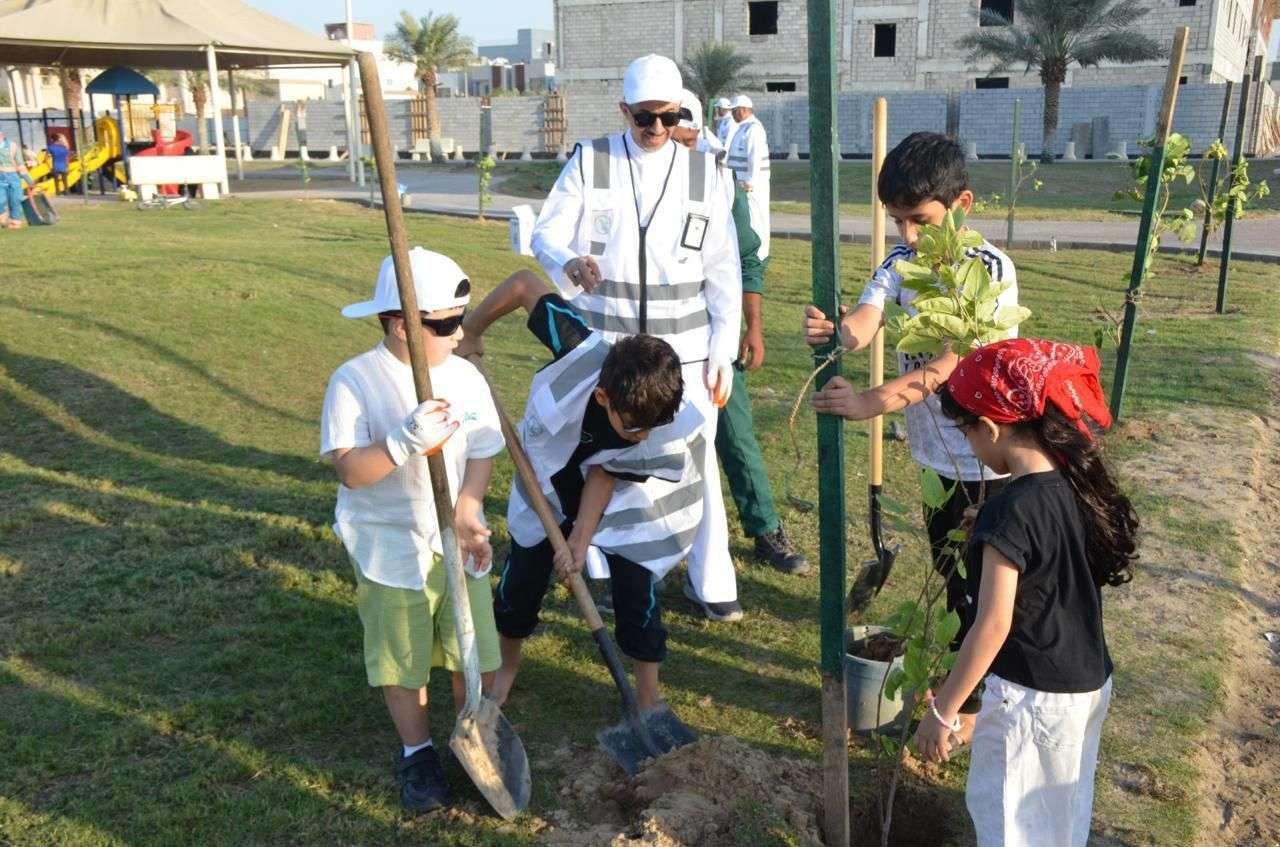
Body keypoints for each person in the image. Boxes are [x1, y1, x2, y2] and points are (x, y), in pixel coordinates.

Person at [804, 132, 1020, 710]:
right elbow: (867, 318)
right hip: (935, 458)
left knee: (987, 591)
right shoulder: (901, 262)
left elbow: (953, 364)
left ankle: (973, 708)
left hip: (991, 464)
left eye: (920, 221)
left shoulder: (989, 270)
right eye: (897, 221)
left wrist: (873, 402)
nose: (908, 236)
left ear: (962, 207)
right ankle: (970, 692)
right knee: (952, 581)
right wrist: (837, 333)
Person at [530, 53, 746, 621]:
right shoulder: (590, 161)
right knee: (602, 454)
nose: (656, 130)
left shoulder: (707, 170)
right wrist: (567, 259)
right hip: (611, 347)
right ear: (623, 109)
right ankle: (598, 563)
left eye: (669, 118)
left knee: (696, 458)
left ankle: (711, 577)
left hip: (688, 353)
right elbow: (546, 232)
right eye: (644, 118)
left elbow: (725, 270)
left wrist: (724, 348)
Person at [915, 338, 1136, 847]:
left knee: (1011, 826)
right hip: (1085, 683)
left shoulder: (1009, 510)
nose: (971, 447)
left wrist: (943, 709)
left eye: (967, 433)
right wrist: (992, 534)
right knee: (1058, 821)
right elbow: (1048, 558)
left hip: (1031, 700)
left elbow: (991, 626)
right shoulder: (1074, 483)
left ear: (990, 427)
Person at [457, 269, 706, 711]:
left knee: (636, 586)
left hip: (627, 498)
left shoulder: (656, 424)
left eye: (652, 427)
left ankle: (647, 695)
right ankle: (505, 670)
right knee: (522, 581)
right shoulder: (577, 345)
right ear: (605, 397)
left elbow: (606, 474)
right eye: (633, 426)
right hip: (547, 484)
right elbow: (523, 284)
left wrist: (578, 540)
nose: (642, 437)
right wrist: (472, 330)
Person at [320, 247, 505, 814]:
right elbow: (352, 471)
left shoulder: (464, 375)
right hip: (390, 545)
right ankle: (417, 752)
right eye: (447, 324)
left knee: (470, 649)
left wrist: (469, 507)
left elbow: (481, 449)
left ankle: (472, 736)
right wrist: (402, 443)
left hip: (454, 541)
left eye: (462, 320)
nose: (460, 334)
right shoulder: (356, 381)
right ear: (402, 325)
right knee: (403, 657)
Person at [671, 90, 807, 575]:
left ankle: (764, 527)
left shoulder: (720, 181)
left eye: (687, 138)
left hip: (712, 334)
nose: (680, 147)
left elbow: (747, 261)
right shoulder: (629, 179)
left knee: (735, 432)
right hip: (647, 336)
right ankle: (639, 540)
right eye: (672, 136)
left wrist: (753, 329)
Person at [726, 94, 771, 263]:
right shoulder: (743, 127)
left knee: (756, 218)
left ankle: (760, 254)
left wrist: (751, 181)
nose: (732, 114)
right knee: (746, 218)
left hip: (751, 185)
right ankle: (749, 251)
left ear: (744, 110)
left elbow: (755, 156)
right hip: (741, 182)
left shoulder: (754, 129)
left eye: (734, 111)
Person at [0, 128, 32, 229]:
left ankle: (15, 222)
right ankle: (3, 217)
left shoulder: (13, 146)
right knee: (1, 200)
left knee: (15, 200)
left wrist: (29, 180)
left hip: (13, 176)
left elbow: (20, 163)